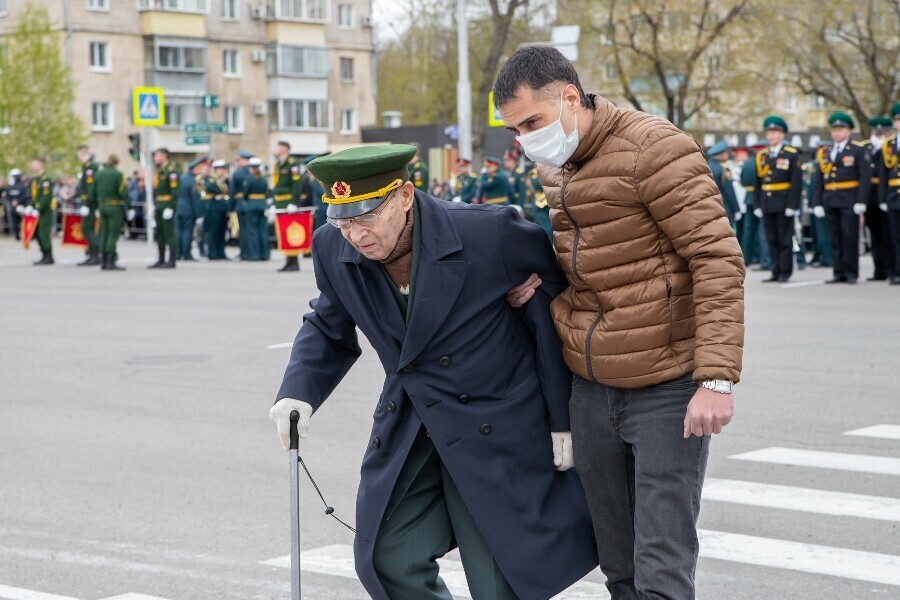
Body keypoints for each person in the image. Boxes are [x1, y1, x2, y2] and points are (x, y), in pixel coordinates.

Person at [270, 144, 598, 600]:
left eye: (366, 218)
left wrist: (563, 418)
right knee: (386, 559)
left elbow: (554, 309)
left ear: (404, 196)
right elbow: (328, 323)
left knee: (500, 581)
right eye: (341, 221)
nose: (355, 236)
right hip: (412, 420)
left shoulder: (491, 233)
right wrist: (298, 393)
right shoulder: (331, 247)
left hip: (494, 424)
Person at [494, 46, 745, 600]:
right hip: (593, 387)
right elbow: (589, 264)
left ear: (567, 96)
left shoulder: (655, 149)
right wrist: (536, 288)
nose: (525, 139)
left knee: (661, 561)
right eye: (515, 131)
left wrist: (716, 379)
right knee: (618, 562)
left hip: (667, 385)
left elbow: (717, 259)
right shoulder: (556, 167)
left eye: (531, 122)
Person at [811, 112, 872, 284]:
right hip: (830, 199)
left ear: (848, 131)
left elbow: (864, 177)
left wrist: (861, 200)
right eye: (835, 130)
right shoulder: (826, 151)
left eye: (841, 129)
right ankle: (838, 272)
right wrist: (817, 202)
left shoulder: (857, 150)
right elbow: (820, 179)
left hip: (849, 199)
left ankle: (851, 272)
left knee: (849, 236)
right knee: (835, 238)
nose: (837, 133)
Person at [753, 116, 802, 283]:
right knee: (771, 238)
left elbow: (796, 183)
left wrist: (792, 205)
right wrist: (757, 204)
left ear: (782, 135)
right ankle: (775, 270)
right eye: (769, 133)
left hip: (783, 202)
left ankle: (785, 271)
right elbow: (757, 182)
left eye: (774, 133)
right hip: (767, 202)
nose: (771, 136)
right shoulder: (763, 156)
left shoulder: (791, 154)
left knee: (784, 239)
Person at [863, 116, 895, 281]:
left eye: (883, 132)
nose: (880, 135)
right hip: (870, 196)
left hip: (888, 195)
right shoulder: (865, 148)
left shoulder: (890, 148)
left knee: (889, 235)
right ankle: (879, 269)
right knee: (874, 235)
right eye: (877, 132)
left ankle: (891, 269)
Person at [90, 154, 133, 271]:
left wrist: (95, 206)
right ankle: (110, 261)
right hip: (114, 206)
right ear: (116, 163)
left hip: (101, 206)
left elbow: (92, 192)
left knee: (103, 233)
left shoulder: (98, 174)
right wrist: (129, 206)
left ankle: (103, 261)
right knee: (112, 234)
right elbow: (123, 191)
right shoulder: (117, 174)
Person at [272, 140, 303, 272]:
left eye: (278, 147)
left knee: (291, 232)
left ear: (285, 149)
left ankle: (294, 261)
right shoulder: (278, 164)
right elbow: (276, 185)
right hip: (279, 203)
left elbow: (296, 184)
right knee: (283, 233)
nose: (276, 149)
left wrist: (294, 202)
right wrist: (274, 203)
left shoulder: (292, 164)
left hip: (289, 202)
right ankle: (288, 261)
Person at [878, 102, 900, 285]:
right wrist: (882, 197)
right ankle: (896, 271)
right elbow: (883, 174)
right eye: (899, 120)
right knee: (895, 236)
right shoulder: (889, 145)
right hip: (894, 196)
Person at [149, 148, 179, 269]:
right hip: (159, 205)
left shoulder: (172, 171)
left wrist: (171, 207)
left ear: (164, 156)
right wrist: (154, 206)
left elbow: (175, 191)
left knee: (169, 234)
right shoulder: (160, 171)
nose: (155, 158)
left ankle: (172, 260)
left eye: (157, 156)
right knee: (160, 233)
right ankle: (161, 259)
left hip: (167, 205)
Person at [706, 140, 741, 229]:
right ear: (721, 154)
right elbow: (730, 191)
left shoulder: (707, 166)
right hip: (724, 207)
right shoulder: (724, 169)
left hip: (709, 207)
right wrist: (736, 209)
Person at [75, 145, 100, 266]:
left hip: (90, 204)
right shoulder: (86, 167)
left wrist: (86, 204)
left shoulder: (90, 167)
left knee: (87, 229)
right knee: (86, 229)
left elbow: (90, 188)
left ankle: (95, 255)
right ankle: (91, 254)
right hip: (87, 203)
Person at [176, 158, 205, 261]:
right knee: (187, 232)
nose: (201, 171)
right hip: (189, 209)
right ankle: (186, 253)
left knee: (178, 232)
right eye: (199, 169)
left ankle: (178, 253)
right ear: (194, 170)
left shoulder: (181, 178)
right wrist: (199, 215)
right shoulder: (195, 181)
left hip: (179, 208)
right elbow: (196, 200)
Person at [29, 157, 56, 266]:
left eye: (34, 164)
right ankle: (44, 254)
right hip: (37, 210)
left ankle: (48, 256)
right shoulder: (37, 180)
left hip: (45, 211)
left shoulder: (46, 180)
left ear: (41, 165)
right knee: (36, 233)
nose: (32, 167)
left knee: (43, 233)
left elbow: (46, 197)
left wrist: (39, 209)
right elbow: (35, 196)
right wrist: (30, 206)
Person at [242, 157, 270, 261]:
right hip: (262, 205)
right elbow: (267, 193)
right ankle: (265, 254)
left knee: (253, 231)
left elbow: (245, 193)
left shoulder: (249, 178)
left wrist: (246, 200)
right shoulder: (264, 178)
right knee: (262, 230)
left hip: (252, 206)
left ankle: (255, 254)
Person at [205, 159, 231, 260]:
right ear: (215, 170)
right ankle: (212, 252)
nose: (222, 171)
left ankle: (221, 252)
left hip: (223, 207)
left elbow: (230, 189)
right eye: (220, 169)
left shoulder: (225, 180)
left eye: (223, 169)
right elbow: (210, 188)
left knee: (223, 231)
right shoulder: (212, 179)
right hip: (214, 207)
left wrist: (227, 180)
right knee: (214, 231)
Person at [230, 150, 252, 260]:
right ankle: (253, 252)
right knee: (251, 229)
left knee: (243, 230)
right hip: (252, 203)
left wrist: (230, 207)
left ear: (243, 160)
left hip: (240, 203)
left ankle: (244, 253)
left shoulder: (238, 173)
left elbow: (232, 190)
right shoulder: (254, 171)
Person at [527, 166, 551, 240]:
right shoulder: (533, 172)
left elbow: (538, 184)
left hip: (546, 202)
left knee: (545, 228)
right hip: (541, 202)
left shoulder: (536, 172)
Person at [4, 169, 29, 241]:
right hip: (21, 207)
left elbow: (7, 196)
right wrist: (17, 201)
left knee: (15, 222)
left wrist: (13, 201)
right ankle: (24, 236)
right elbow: (25, 196)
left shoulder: (10, 187)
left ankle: (17, 236)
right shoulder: (23, 187)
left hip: (14, 207)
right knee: (22, 222)